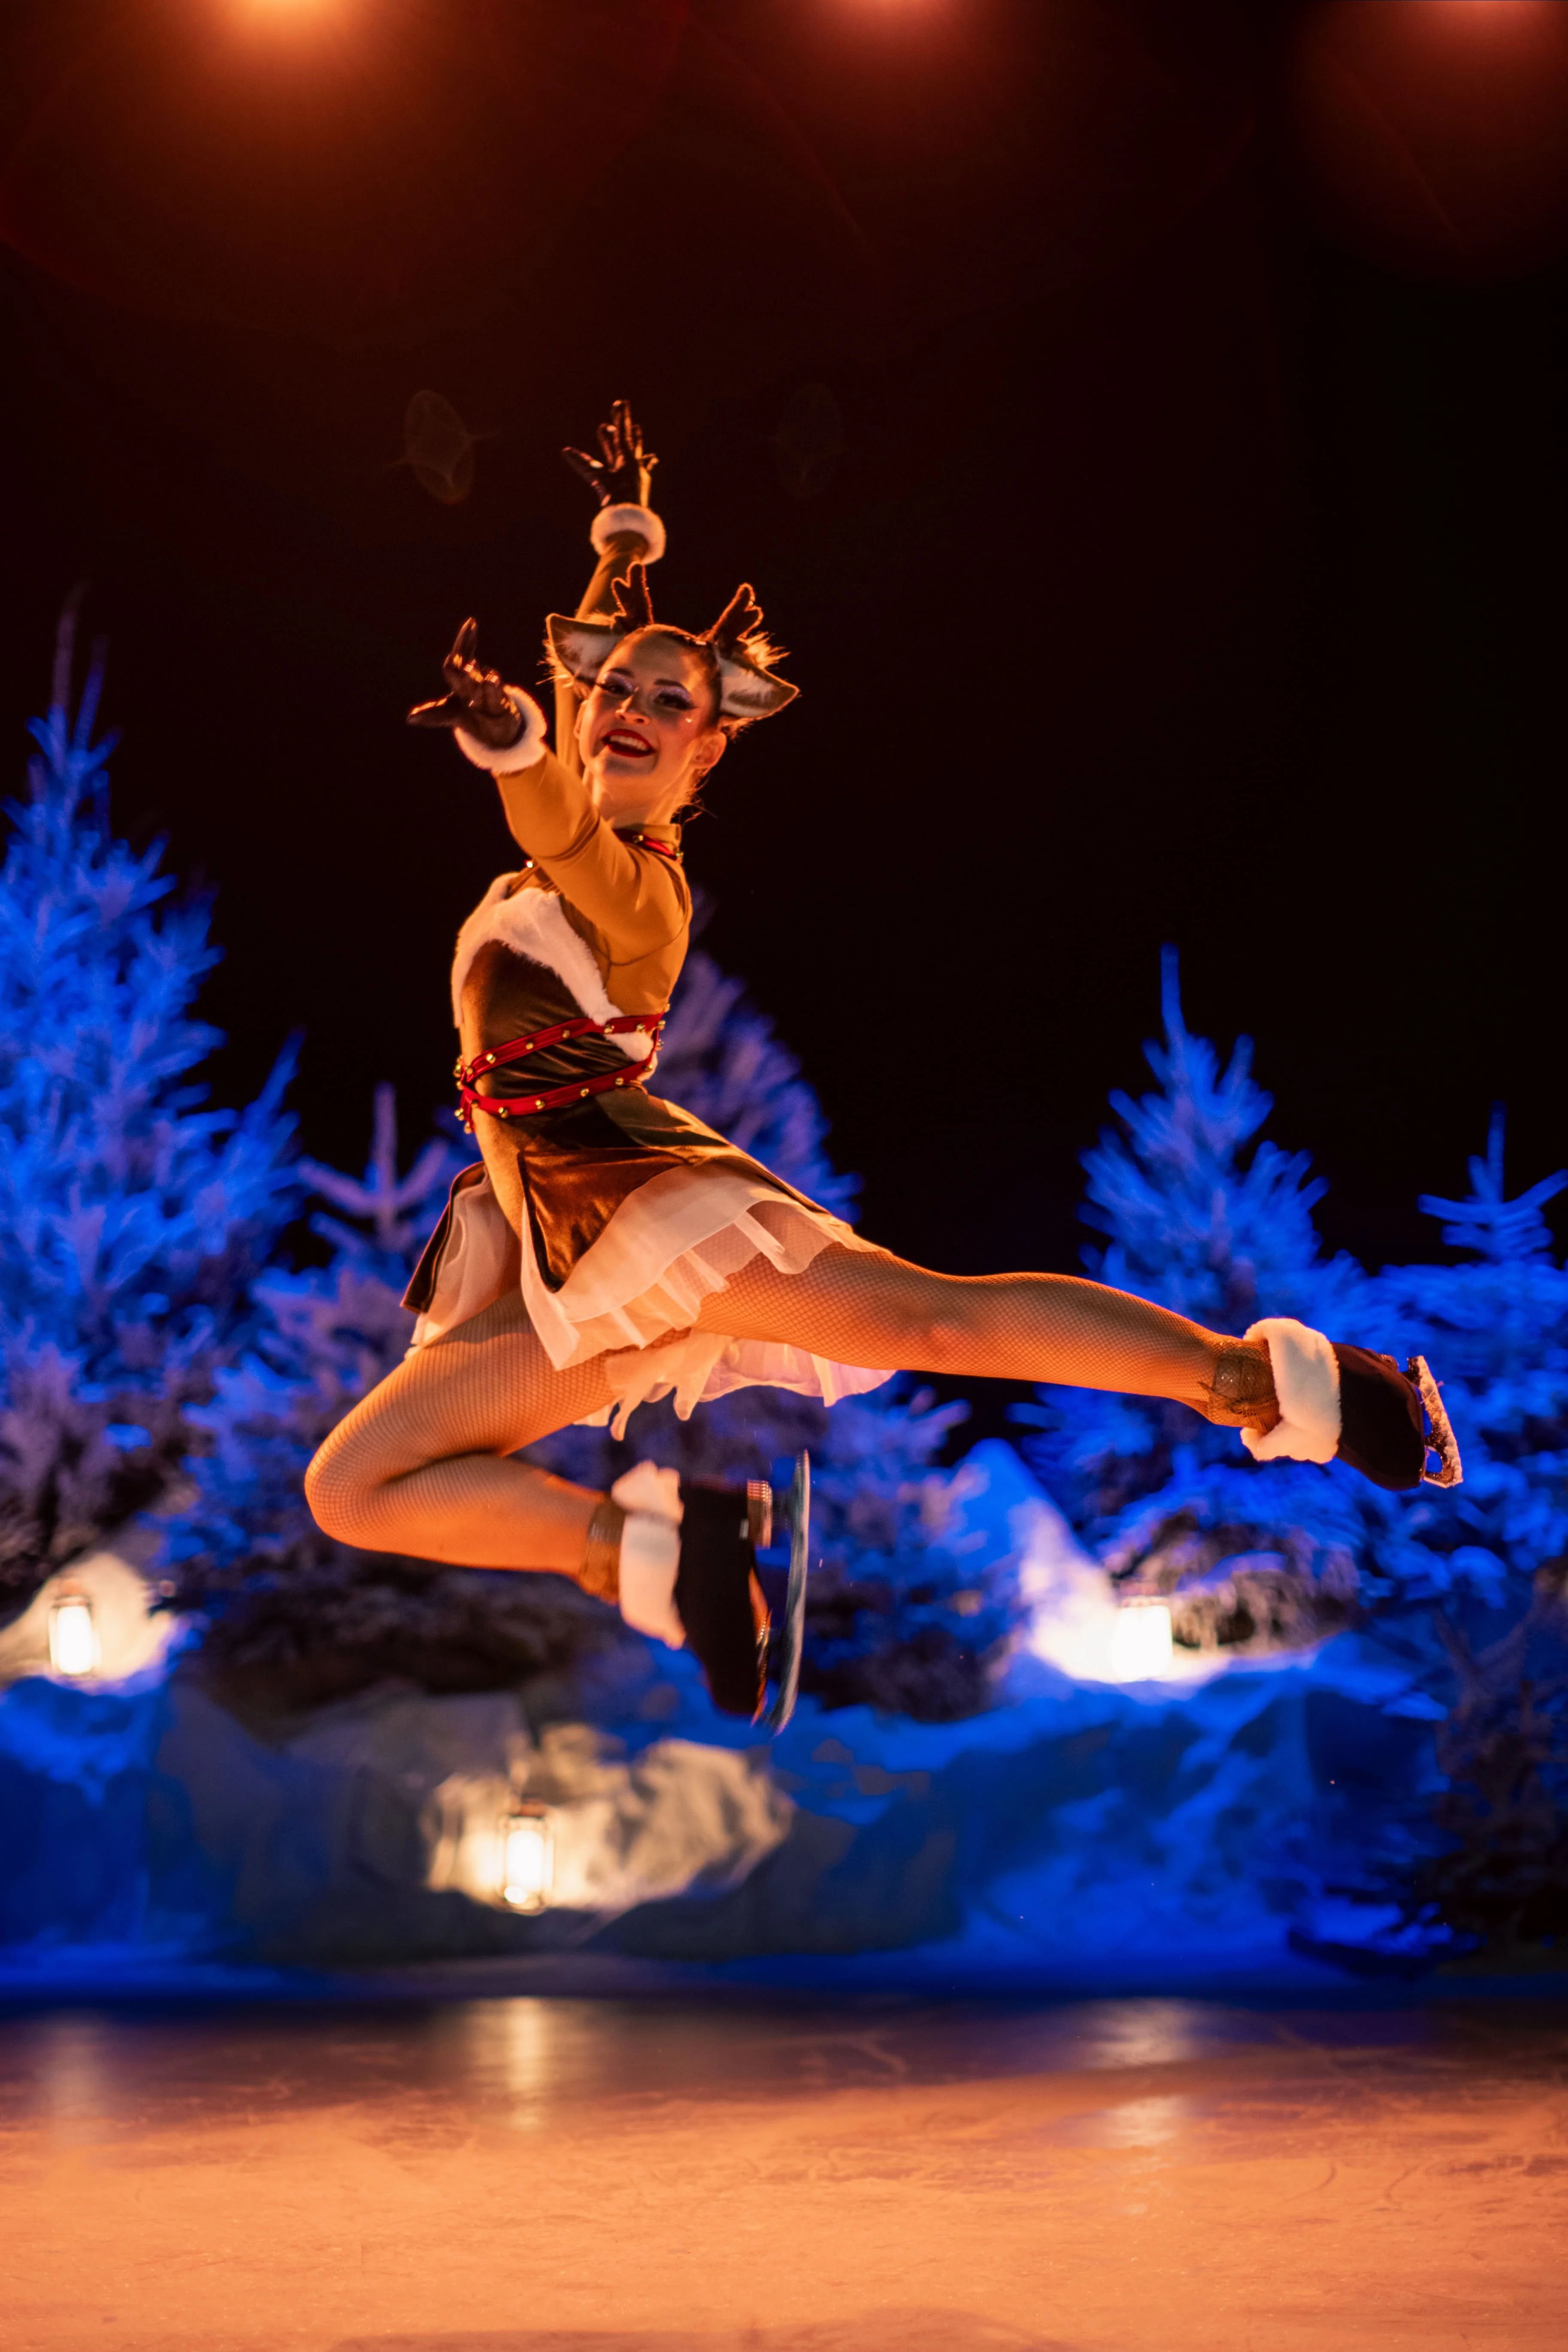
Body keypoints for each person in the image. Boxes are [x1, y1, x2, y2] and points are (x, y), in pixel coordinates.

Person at [305, 402, 1460, 1716]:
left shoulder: (629, 887)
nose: (625, 709)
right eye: (612, 690)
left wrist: (513, 741)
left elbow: (559, 808)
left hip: (633, 1206)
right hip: (548, 1237)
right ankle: (665, 1553)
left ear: (708, 743)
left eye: (665, 702)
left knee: (928, 1317)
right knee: (353, 1487)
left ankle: (1279, 1383)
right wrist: (620, 545)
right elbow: (574, 718)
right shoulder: (569, 815)